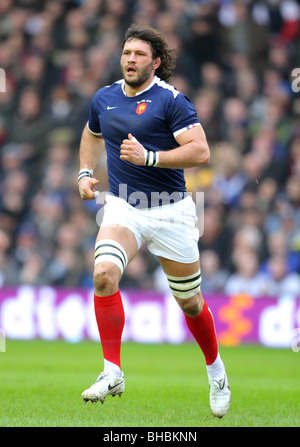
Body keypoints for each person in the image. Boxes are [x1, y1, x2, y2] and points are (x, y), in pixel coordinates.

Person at [78, 24, 230, 418]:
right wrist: (83, 172)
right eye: (127, 52)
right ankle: (112, 370)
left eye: (140, 54)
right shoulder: (105, 97)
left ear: (156, 63)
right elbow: (93, 133)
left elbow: (201, 151)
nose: (130, 59)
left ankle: (215, 370)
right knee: (103, 275)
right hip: (124, 206)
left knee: (191, 303)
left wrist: (150, 158)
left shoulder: (171, 101)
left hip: (171, 209)